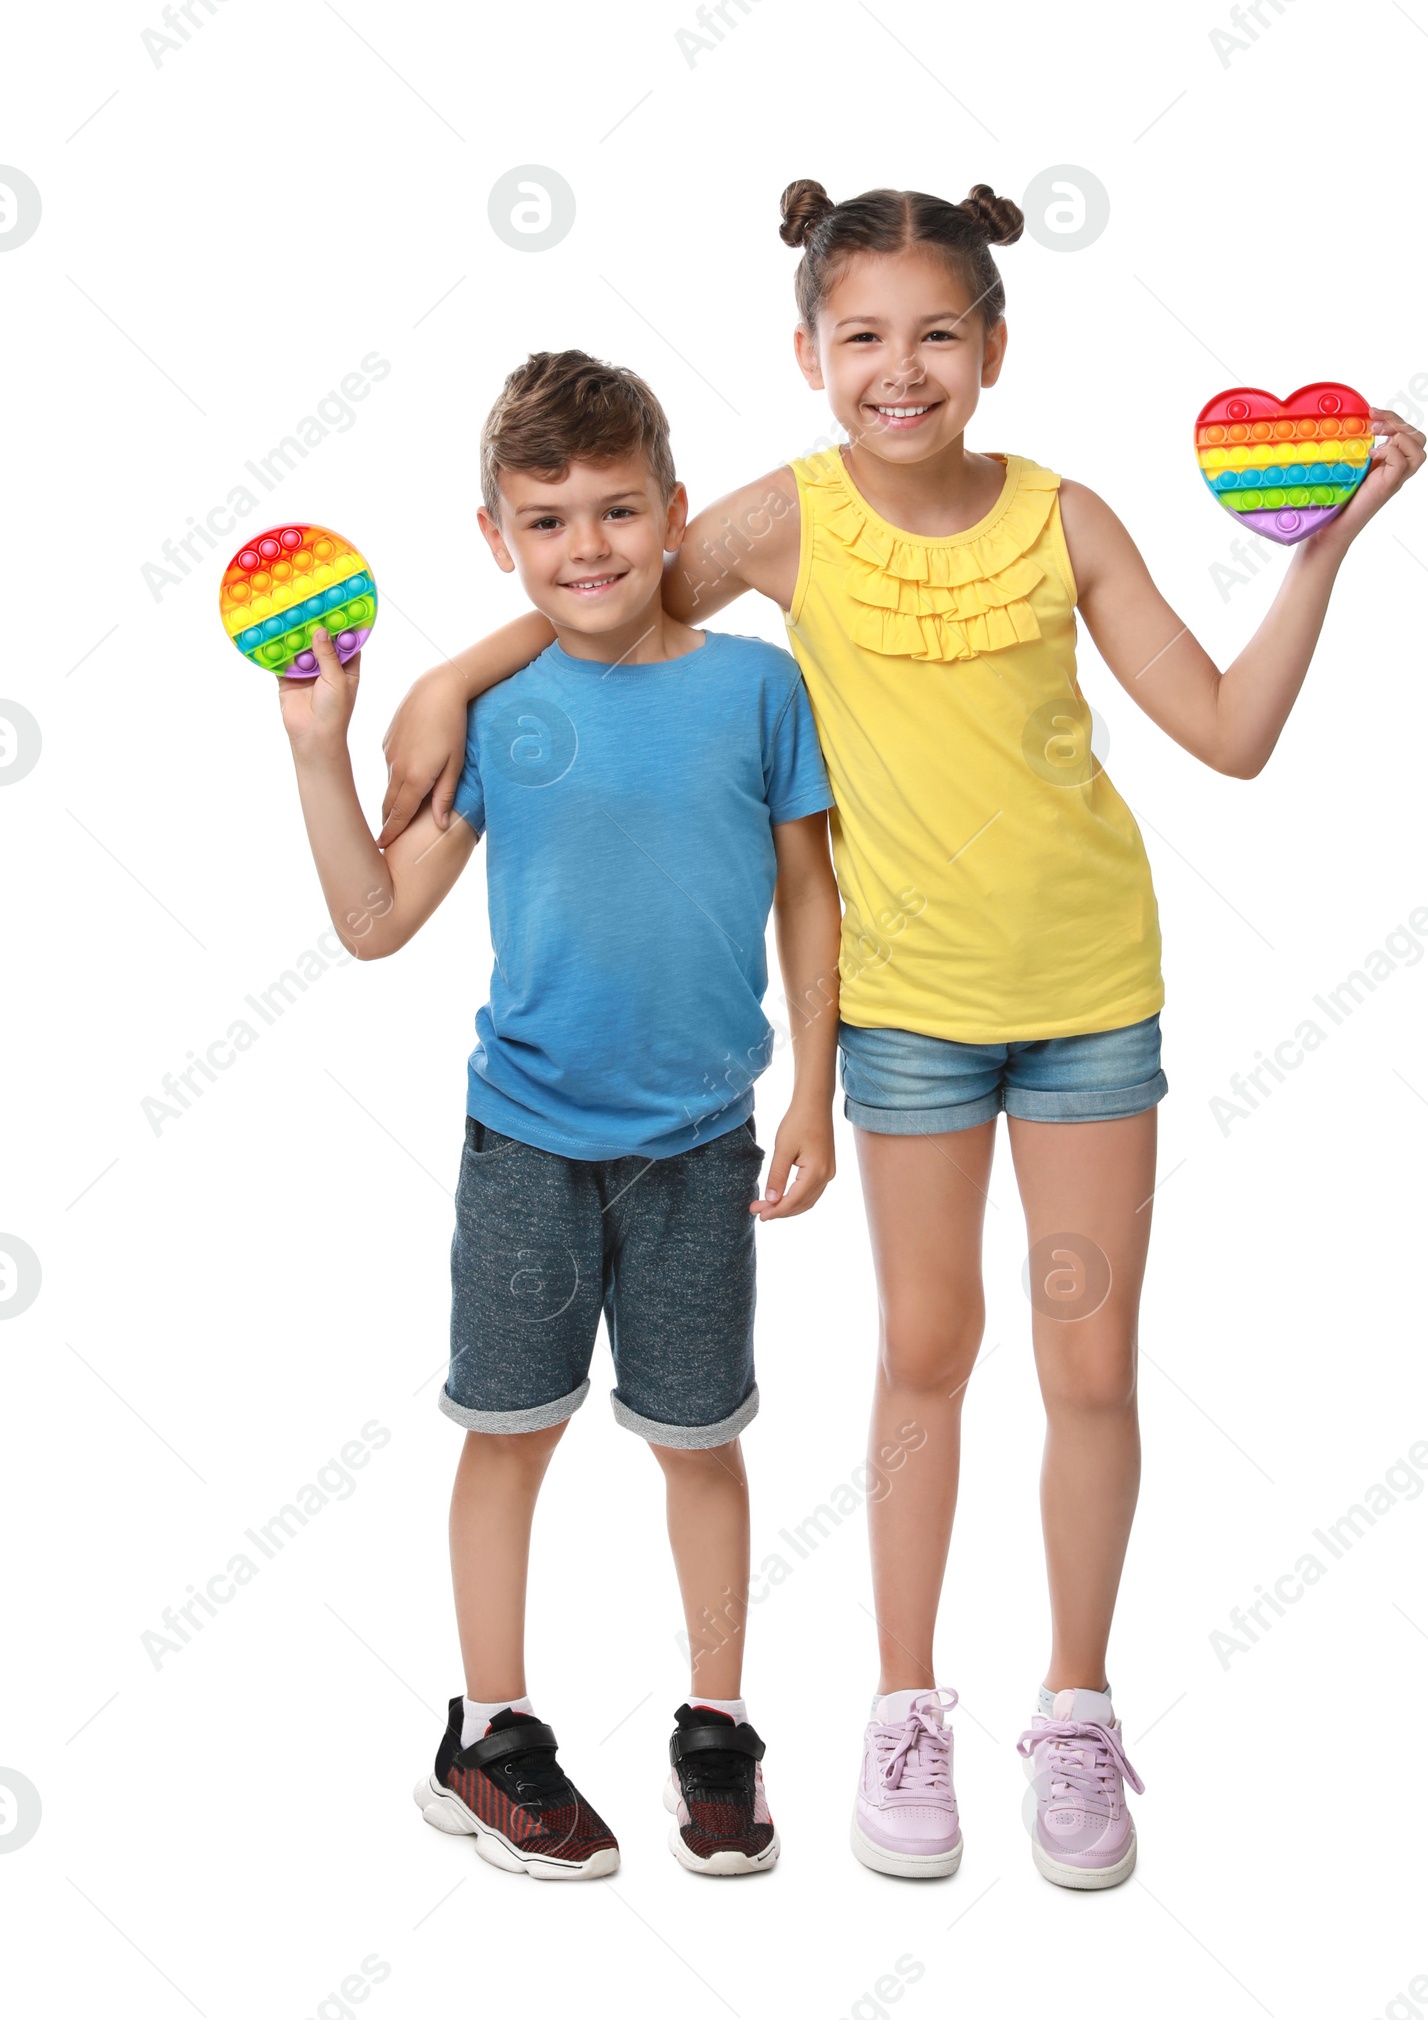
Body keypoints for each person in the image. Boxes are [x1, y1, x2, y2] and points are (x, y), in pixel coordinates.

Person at [374, 185, 1427, 1888]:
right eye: (862, 336)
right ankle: (901, 1711)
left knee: (1089, 1365)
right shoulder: (782, 525)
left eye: (939, 332)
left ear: (995, 349)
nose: (901, 368)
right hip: (910, 1020)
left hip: (1091, 1000)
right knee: (924, 1359)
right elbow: (611, 595)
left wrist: (1327, 546)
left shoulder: (1063, 519)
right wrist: (442, 686)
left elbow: (1228, 732)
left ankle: (1075, 1709)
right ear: (807, 354)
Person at [277, 349, 839, 1878]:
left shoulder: (759, 686)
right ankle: (489, 1734)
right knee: (508, 1437)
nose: (583, 548)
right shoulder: (498, 710)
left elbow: (809, 891)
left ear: (670, 512)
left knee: (699, 1440)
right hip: (526, 1143)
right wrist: (322, 753)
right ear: (496, 539)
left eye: (612, 511)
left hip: (702, 1143)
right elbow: (376, 924)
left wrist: (816, 1086)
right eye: (546, 522)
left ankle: (716, 1728)